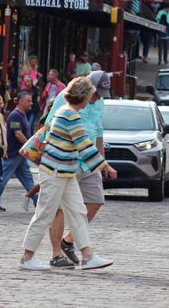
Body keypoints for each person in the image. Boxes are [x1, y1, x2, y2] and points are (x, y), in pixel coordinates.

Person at [18, 76, 112, 271]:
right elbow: (85, 146)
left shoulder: (64, 111)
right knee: (45, 214)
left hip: (65, 172)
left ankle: (88, 256)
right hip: (55, 172)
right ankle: (27, 257)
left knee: (78, 212)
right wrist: (105, 166)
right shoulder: (70, 115)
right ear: (84, 97)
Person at [45, 69, 118, 268]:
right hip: (67, 161)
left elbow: (98, 130)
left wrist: (102, 160)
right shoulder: (66, 99)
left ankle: (68, 242)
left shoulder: (99, 102)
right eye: (95, 94)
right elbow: (49, 125)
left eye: (101, 96)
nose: (97, 99)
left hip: (89, 161)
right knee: (60, 210)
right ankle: (56, 253)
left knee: (94, 202)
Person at [0, 92, 38, 212]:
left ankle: (38, 201)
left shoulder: (22, 115)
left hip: (20, 155)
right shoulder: (15, 116)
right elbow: (18, 133)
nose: (31, 103)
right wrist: (29, 146)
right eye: (28, 101)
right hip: (13, 154)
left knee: (28, 179)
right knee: (3, 179)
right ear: (21, 102)